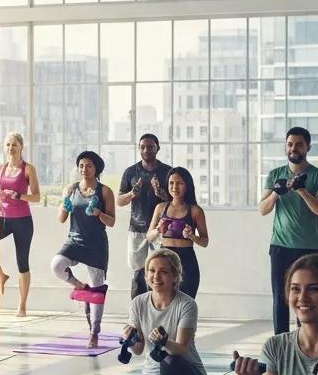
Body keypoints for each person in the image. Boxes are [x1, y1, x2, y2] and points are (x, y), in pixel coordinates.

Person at [120, 249, 207, 375]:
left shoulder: (187, 305)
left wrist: (165, 342)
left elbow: (182, 349)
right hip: (154, 374)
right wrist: (132, 338)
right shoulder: (138, 303)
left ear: (175, 276)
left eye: (163, 271)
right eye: (151, 271)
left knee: (169, 357)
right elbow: (138, 350)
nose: (156, 276)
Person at [260, 126, 318, 334]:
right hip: (280, 246)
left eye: (299, 144)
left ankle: (305, 343)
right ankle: (281, 346)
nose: (294, 148)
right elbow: (263, 209)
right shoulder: (275, 175)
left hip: (308, 248)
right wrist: (276, 194)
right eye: (290, 144)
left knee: (307, 299)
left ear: (308, 147)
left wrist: (302, 191)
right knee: (281, 298)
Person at [51, 150, 116, 348]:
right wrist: (65, 204)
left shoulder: (105, 191)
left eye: (88, 165)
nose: (84, 169)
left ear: (96, 169)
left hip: (96, 244)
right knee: (57, 265)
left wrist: (98, 213)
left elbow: (112, 221)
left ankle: (94, 331)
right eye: (81, 165)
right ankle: (79, 286)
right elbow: (61, 219)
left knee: (97, 291)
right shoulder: (71, 189)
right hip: (75, 240)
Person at [0, 133, 40, 317]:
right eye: (8, 145)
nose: (11, 148)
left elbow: (36, 196)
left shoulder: (28, 169)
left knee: (22, 263)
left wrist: (19, 196)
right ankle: (1, 274)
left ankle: (22, 306)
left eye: (14, 145)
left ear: (21, 147)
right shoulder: (0, 168)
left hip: (22, 221)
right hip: (3, 218)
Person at [117, 134, 171, 298]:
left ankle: (159, 309)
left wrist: (162, 194)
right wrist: (132, 193)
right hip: (137, 228)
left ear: (158, 148)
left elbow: (176, 201)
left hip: (160, 229)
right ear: (139, 149)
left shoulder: (167, 171)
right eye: (143, 147)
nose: (146, 150)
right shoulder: (131, 172)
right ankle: (136, 312)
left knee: (160, 271)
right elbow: (119, 200)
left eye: (150, 147)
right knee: (138, 273)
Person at [147, 167, 209, 298]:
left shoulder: (195, 211)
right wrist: (158, 230)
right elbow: (149, 237)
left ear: (187, 186)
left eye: (180, 183)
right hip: (165, 259)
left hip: (187, 260)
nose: (175, 187)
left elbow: (205, 242)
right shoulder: (160, 208)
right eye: (171, 183)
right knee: (164, 302)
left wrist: (192, 236)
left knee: (186, 303)